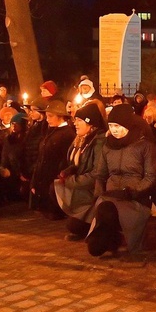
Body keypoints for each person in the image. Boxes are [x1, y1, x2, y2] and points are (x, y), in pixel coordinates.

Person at [87, 104, 156, 256]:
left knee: (107, 211)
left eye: (118, 126)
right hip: (110, 196)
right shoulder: (108, 146)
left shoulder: (145, 146)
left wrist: (132, 192)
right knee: (104, 210)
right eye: (111, 126)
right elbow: (100, 174)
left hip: (134, 199)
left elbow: (151, 176)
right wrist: (98, 194)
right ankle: (108, 241)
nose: (114, 130)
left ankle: (115, 241)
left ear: (128, 125)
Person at [54, 103, 107, 240]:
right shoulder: (83, 140)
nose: (75, 124)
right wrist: (68, 171)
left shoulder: (99, 142)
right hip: (84, 188)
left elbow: (97, 174)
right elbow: (79, 164)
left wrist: (71, 181)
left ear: (90, 123)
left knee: (74, 226)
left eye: (79, 121)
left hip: (93, 192)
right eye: (75, 120)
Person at [29, 101, 76, 220]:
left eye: (51, 116)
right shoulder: (51, 131)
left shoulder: (67, 134)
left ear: (60, 117)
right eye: (47, 116)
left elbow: (65, 160)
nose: (47, 119)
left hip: (53, 178)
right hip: (44, 178)